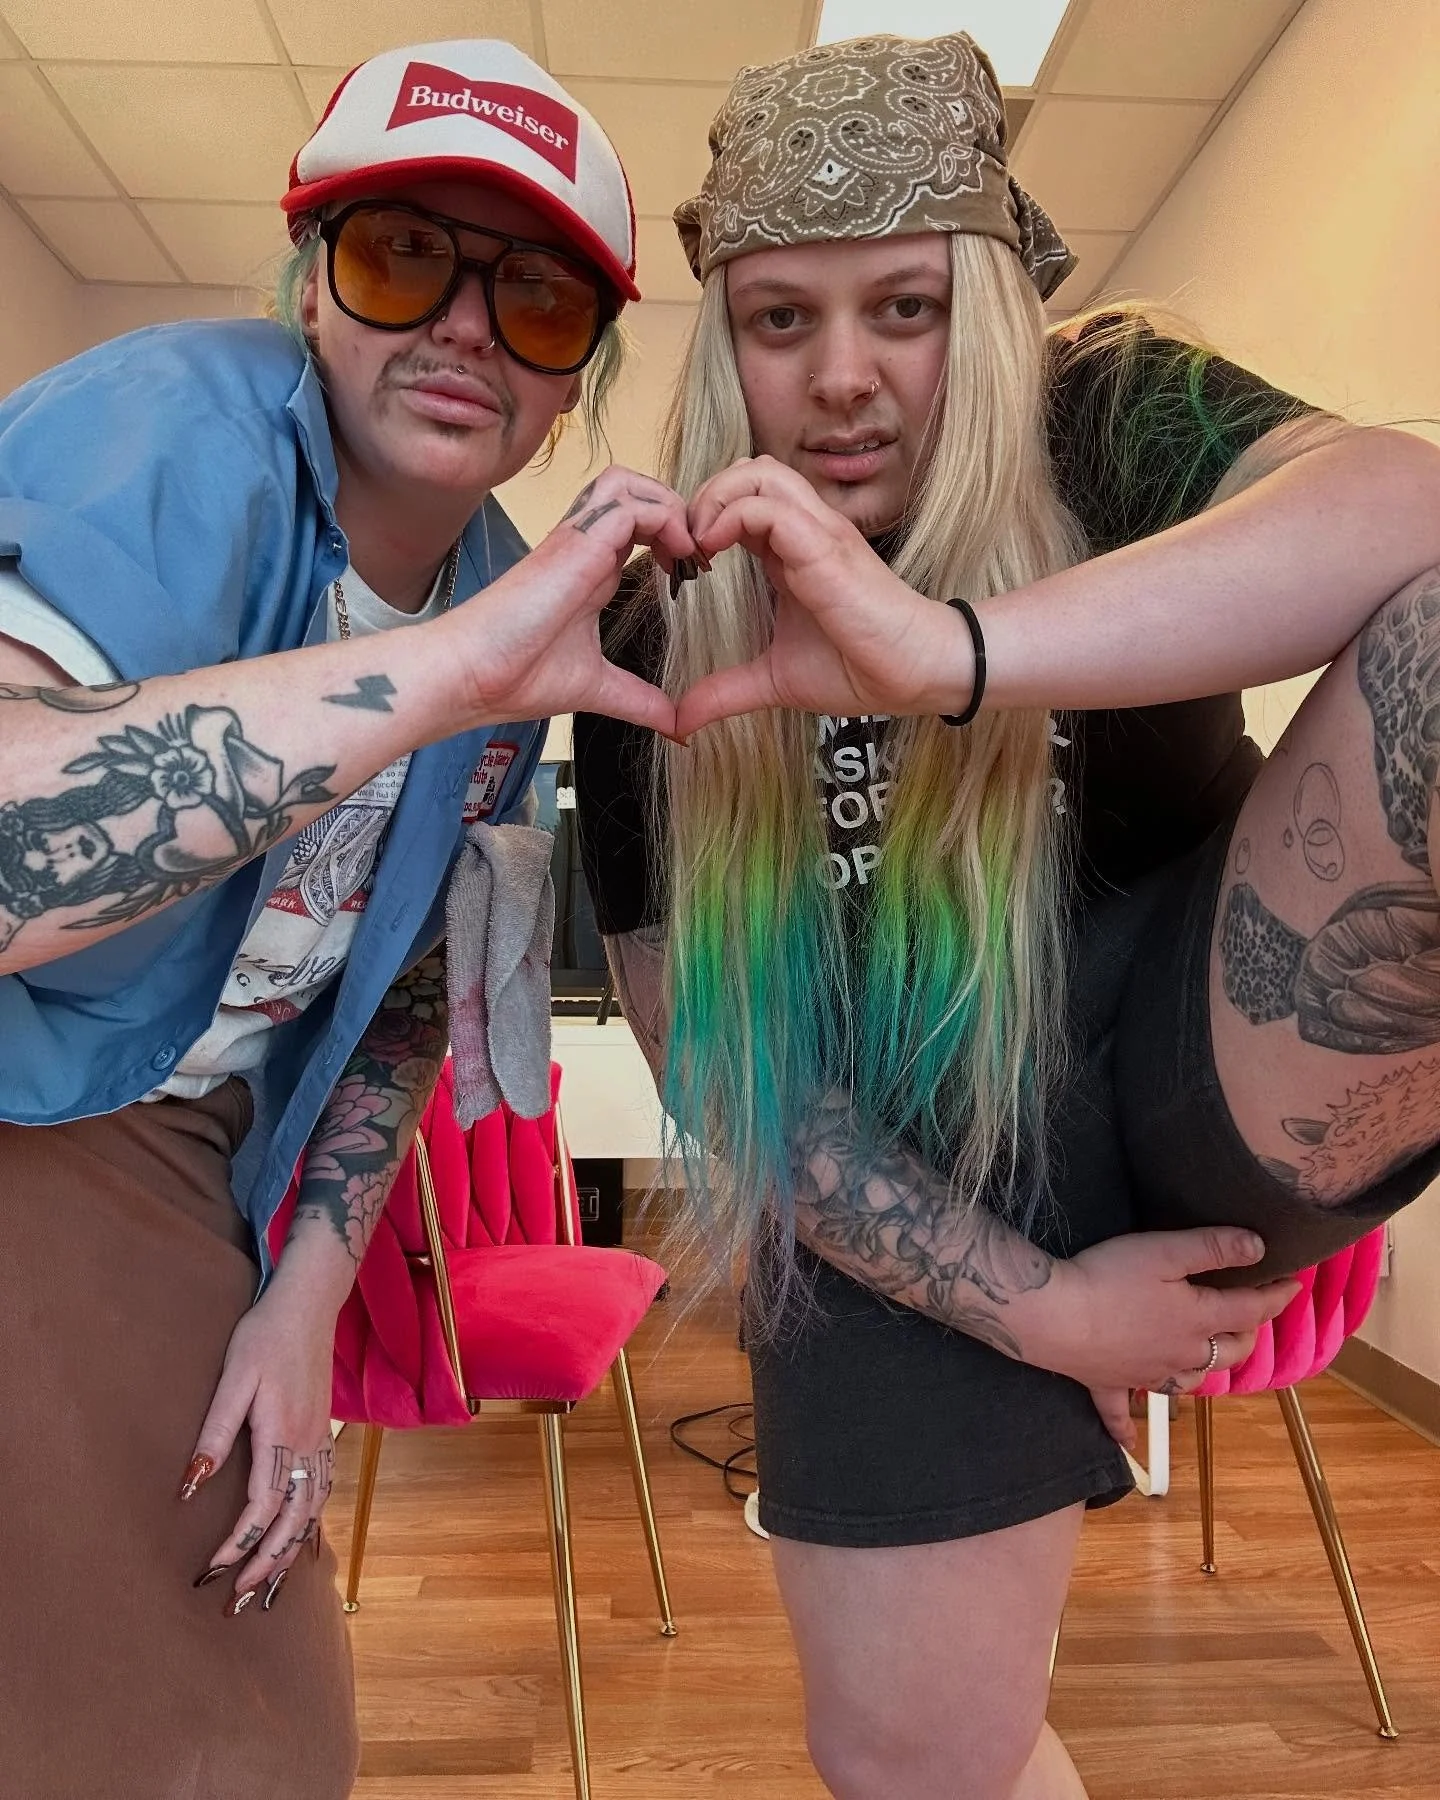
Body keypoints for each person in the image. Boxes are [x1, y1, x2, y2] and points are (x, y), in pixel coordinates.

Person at [574, 31, 1440, 1800]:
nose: (845, 380)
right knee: (916, 1762)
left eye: (903, 307)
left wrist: (949, 654)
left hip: (1184, 1052)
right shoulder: (654, 620)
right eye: (780, 320)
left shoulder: (1103, 405)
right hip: (903, 1175)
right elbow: (729, 1072)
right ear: (724, 348)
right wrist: (1041, 1312)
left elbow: (1411, 509)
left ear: (984, 303)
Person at [0, 37, 695, 1800]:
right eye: (405, 258)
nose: (466, 328)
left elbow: (392, 996)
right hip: (37, 1113)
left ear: (574, 382)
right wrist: (458, 670)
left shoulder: (498, 588)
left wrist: (307, 1299)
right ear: (313, 278)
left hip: (197, 1161)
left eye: (536, 299)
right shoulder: (174, 428)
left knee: (252, 1717)